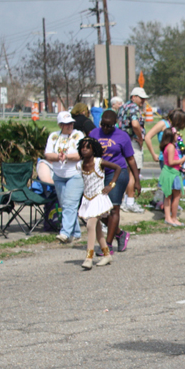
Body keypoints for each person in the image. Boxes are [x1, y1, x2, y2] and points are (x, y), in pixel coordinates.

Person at [89, 109, 139, 254]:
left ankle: (108, 245)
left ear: (115, 124)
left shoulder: (122, 136)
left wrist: (136, 180)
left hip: (117, 173)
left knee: (113, 208)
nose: (106, 128)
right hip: (98, 174)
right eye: (103, 125)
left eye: (109, 126)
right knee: (96, 211)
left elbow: (130, 159)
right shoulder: (93, 134)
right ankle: (120, 233)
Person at [76, 137, 121, 269]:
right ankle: (106, 254)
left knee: (91, 224)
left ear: (94, 149)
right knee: (97, 228)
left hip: (98, 197)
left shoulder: (98, 162)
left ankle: (89, 258)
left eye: (88, 147)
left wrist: (111, 185)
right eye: (82, 147)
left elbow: (118, 168)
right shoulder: (79, 165)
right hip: (87, 198)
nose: (84, 149)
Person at [41, 111, 85, 243]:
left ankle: (65, 233)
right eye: (66, 124)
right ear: (60, 125)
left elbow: (80, 154)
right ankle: (76, 233)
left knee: (70, 204)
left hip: (75, 174)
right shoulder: (54, 136)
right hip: (59, 175)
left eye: (71, 123)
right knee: (65, 205)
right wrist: (57, 157)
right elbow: (47, 155)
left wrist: (66, 157)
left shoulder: (78, 135)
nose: (69, 126)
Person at [117, 87, 148, 212]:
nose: (143, 101)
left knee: (125, 171)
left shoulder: (122, 107)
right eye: (141, 98)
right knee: (133, 172)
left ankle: (123, 200)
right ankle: (130, 201)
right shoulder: (134, 107)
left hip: (122, 141)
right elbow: (135, 124)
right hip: (132, 141)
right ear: (133, 97)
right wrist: (140, 137)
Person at [159, 128, 185, 226]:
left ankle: (168, 217)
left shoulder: (167, 146)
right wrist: (183, 159)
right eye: (176, 134)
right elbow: (171, 162)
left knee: (168, 196)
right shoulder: (171, 147)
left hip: (168, 172)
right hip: (172, 173)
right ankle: (173, 217)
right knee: (176, 196)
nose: (178, 136)